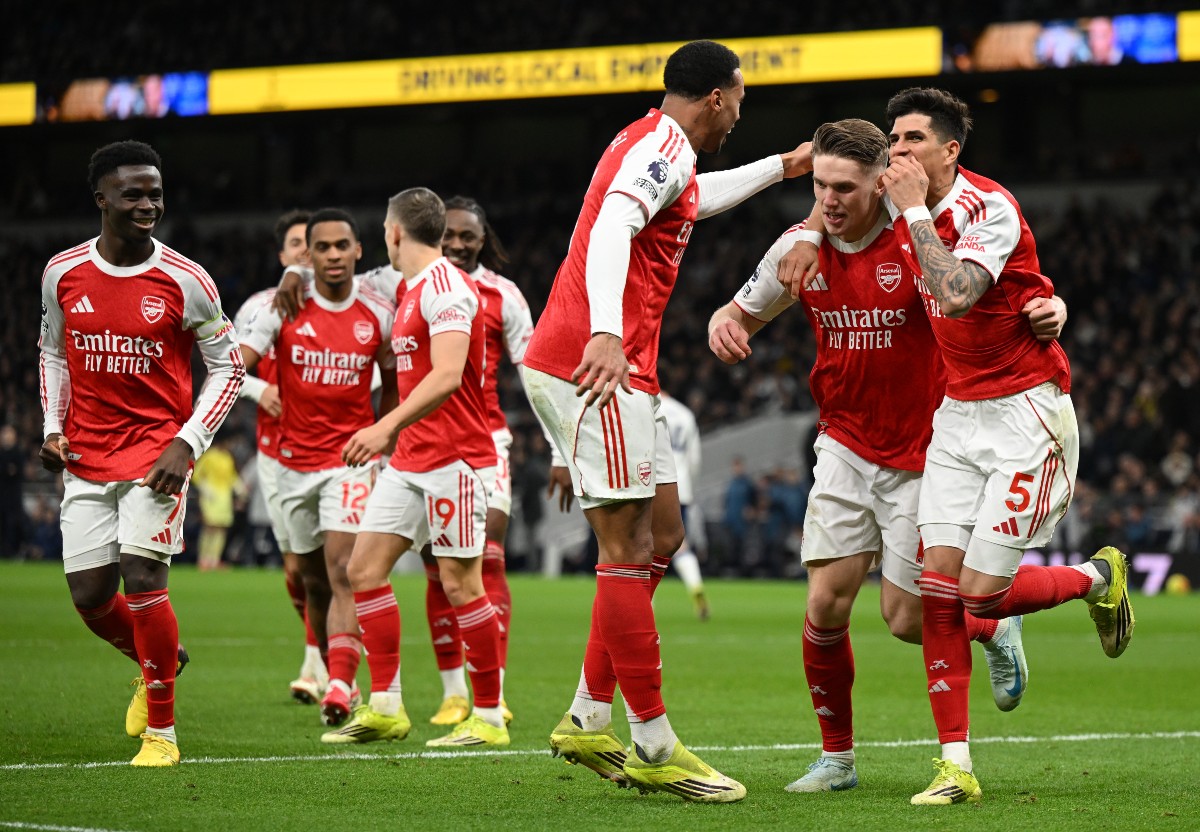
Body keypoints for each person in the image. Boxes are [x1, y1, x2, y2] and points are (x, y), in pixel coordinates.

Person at [709, 118, 1051, 795]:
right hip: (843, 442)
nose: (829, 200)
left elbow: (994, 292)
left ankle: (993, 625)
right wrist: (726, 325)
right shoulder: (799, 249)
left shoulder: (918, 240)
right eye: (820, 186)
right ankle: (837, 760)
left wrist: (1050, 304)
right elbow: (738, 312)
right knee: (824, 606)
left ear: (880, 185)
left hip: (925, 452)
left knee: (904, 620)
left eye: (844, 188)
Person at [521, 39, 812, 802]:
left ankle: (589, 715)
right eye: (739, 101)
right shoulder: (660, 147)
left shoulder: (664, 148)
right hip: (591, 363)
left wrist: (782, 167)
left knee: (664, 535)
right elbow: (614, 227)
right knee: (625, 546)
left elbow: (693, 199)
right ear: (716, 96)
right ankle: (652, 742)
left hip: (619, 368)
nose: (739, 115)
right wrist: (605, 332)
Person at [869, 87, 1131, 805]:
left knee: (979, 595)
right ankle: (955, 767)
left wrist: (913, 212)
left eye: (914, 139)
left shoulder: (990, 209)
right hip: (957, 415)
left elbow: (955, 293)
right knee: (937, 590)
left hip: (1025, 414)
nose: (899, 152)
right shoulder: (892, 196)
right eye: (894, 139)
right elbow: (834, 204)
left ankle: (1096, 578)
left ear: (951, 150)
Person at [37, 140, 245, 766]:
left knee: (144, 574)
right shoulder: (62, 273)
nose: (148, 204)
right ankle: (159, 658)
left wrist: (187, 441)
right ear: (101, 198)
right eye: (132, 194)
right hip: (86, 454)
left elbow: (229, 367)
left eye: (155, 193)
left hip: (157, 454)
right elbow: (53, 352)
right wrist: (52, 426)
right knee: (90, 596)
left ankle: (162, 734)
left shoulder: (187, 280)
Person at [319, 188, 506, 747]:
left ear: (396, 232)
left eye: (384, 230)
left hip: (455, 460)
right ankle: (386, 706)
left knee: (460, 583)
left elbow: (447, 374)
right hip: (411, 461)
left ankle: (489, 716)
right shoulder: (410, 288)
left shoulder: (447, 287)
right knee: (363, 569)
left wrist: (385, 427)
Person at [239, 208, 398, 728]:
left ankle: (340, 683)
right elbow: (237, 362)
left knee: (344, 568)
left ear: (358, 250)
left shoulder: (378, 311)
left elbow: (394, 379)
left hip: (349, 461)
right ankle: (336, 670)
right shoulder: (281, 306)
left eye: (341, 246)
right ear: (309, 255)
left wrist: (384, 435)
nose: (332, 255)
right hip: (290, 464)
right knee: (310, 580)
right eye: (322, 248)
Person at [233, 209, 330, 704]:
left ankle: (323, 663)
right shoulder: (257, 306)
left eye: (312, 244)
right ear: (283, 254)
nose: (305, 252)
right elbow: (228, 368)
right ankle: (328, 653)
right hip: (277, 455)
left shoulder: (344, 303)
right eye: (297, 244)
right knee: (297, 570)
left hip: (336, 454)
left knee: (335, 566)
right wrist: (260, 390)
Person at [657, 391, 709, 619]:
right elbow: (694, 459)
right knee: (680, 545)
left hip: (654, 484)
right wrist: (690, 488)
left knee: (643, 548)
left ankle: (645, 607)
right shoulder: (685, 414)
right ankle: (695, 586)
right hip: (681, 488)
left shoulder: (646, 403)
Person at [191, 435, 244, 571]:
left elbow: (232, 476)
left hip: (224, 498)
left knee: (221, 528)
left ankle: (214, 559)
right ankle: (203, 559)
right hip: (211, 496)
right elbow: (196, 474)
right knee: (209, 527)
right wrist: (204, 487)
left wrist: (239, 487)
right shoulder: (210, 456)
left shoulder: (227, 457)